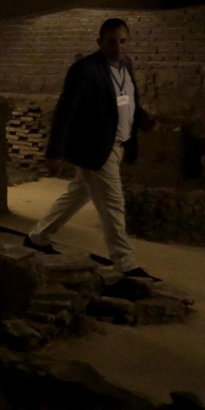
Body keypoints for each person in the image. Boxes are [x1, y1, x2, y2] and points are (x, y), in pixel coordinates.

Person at [25, 18, 159, 279]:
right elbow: (65, 112)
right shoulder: (84, 70)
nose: (118, 47)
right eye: (111, 42)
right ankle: (125, 262)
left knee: (78, 194)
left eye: (123, 41)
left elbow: (127, 102)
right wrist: (55, 153)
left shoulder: (126, 66)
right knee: (113, 204)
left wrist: (143, 120)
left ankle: (38, 238)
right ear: (100, 42)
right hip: (95, 148)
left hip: (117, 145)